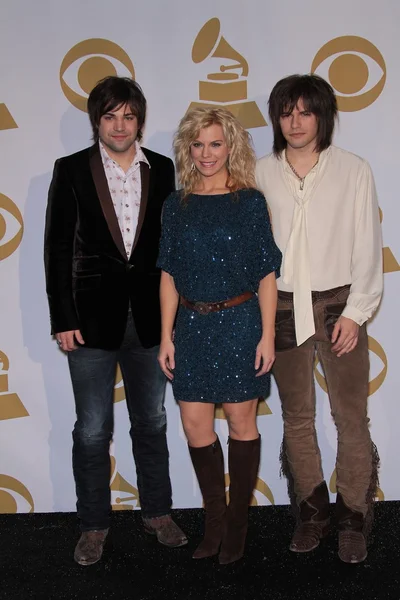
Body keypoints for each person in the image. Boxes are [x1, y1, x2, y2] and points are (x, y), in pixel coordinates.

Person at [44, 76, 187, 566]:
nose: (120, 125)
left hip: (151, 323)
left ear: (139, 121)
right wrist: (61, 316)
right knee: (91, 429)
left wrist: (177, 320)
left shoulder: (165, 170)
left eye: (128, 116)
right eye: (110, 116)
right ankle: (93, 524)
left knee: (152, 422)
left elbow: (173, 251)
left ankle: (158, 514)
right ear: (96, 122)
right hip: (88, 322)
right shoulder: (70, 170)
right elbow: (57, 247)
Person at [256, 74, 383, 564]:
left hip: (339, 305)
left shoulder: (353, 169)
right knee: (297, 416)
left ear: (323, 116)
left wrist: (356, 312)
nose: (295, 121)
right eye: (286, 112)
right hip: (283, 305)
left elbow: (367, 246)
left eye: (305, 112)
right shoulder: (261, 173)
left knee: (350, 415)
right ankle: (312, 511)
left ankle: (354, 515)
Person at [157, 106, 282, 565]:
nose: (207, 153)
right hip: (190, 328)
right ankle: (214, 523)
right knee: (195, 427)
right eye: (198, 144)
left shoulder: (249, 201)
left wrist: (267, 335)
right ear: (188, 149)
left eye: (216, 143)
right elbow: (168, 274)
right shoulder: (177, 204)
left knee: (242, 423)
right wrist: (167, 335)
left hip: (238, 324)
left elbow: (267, 274)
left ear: (231, 147)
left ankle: (237, 527)